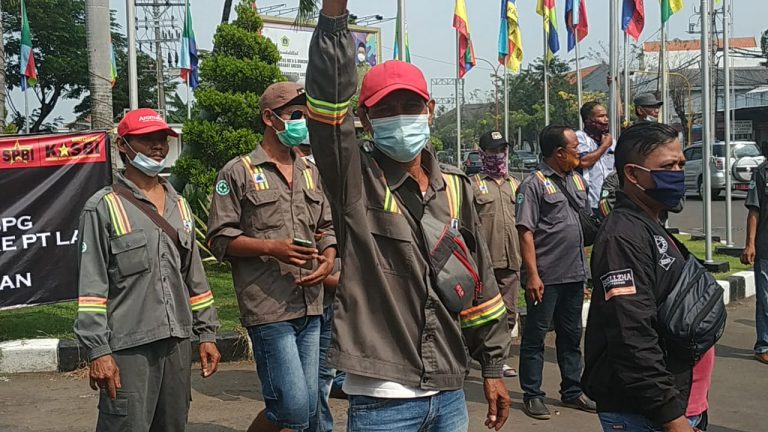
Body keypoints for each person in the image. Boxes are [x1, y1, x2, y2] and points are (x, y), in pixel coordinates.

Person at [305, 1, 511, 430]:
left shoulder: (455, 187)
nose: (401, 119)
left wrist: (492, 367)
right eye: (385, 110)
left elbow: (479, 282)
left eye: (411, 107)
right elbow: (327, 108)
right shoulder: (353, 181)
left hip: (451, 392)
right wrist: (334, 18)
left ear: (431, 110)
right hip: (383, 398)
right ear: (363, 118)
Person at [75, 108, 221, 431]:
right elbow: (91, 290)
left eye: (162, 139)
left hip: (177, 345)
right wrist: (99, 351)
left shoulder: (179, 205)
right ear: (123, 146)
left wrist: (207, 334)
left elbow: (195, 278)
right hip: (129, 350)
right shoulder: (103, 207)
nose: (158, 146)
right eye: (146, 140)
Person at [207, 81, 337, 432]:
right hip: (268, 306)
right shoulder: (237, 172)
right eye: (296, 116)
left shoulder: (312, 172)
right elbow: (219, 238)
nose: (303, 123)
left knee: (309, 408)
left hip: (311, 303)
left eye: (307, 117)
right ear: (269, 118)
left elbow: (328, 225)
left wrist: (328, 255)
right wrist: (270, 247)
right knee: (292, 407)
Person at [584, 122, 713, 432]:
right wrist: (671, 417)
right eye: (668, 166)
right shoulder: (622, 239)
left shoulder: (649, 223)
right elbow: (632, 336)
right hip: (647, 415)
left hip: (681, 401)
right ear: (632, 174)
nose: (679, 173)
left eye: (681, 164)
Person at [515, 125, 595, 420]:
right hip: (545, 278)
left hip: (574, 274)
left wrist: (584, 271)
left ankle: (572, 390)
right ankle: (532, 394)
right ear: (559, 153)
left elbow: (581, 226)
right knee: (536, 338)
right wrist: (532, 275)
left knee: (571, 336)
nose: (579, 152)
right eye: (575, 147)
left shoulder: (576, 180)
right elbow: (525, 233)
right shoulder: (532, 185)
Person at [472, 130, 522, 378]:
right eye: (492, 151)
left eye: (502, 150)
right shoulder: (474, 185)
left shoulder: (515, 184)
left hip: (512, 259)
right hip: (484, 261)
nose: (498, 155)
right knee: (483, 312)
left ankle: (498, 358)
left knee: (509, 312)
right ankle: (480, 355)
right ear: (482, 153)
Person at [741, 147, 768, 365]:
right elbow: (754, 211)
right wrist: (750, 244)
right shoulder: (762, 173)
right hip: (765, 247)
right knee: (766, 300)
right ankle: (764, 345)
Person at [576, 101, 615, 213]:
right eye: (601, 116)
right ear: (588, 120)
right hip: (589, 201)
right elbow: (583, 162)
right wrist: (604, 146)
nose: (606, 120)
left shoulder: (611, 141)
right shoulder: (579, 138)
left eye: (606, 116)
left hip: (609, 201)